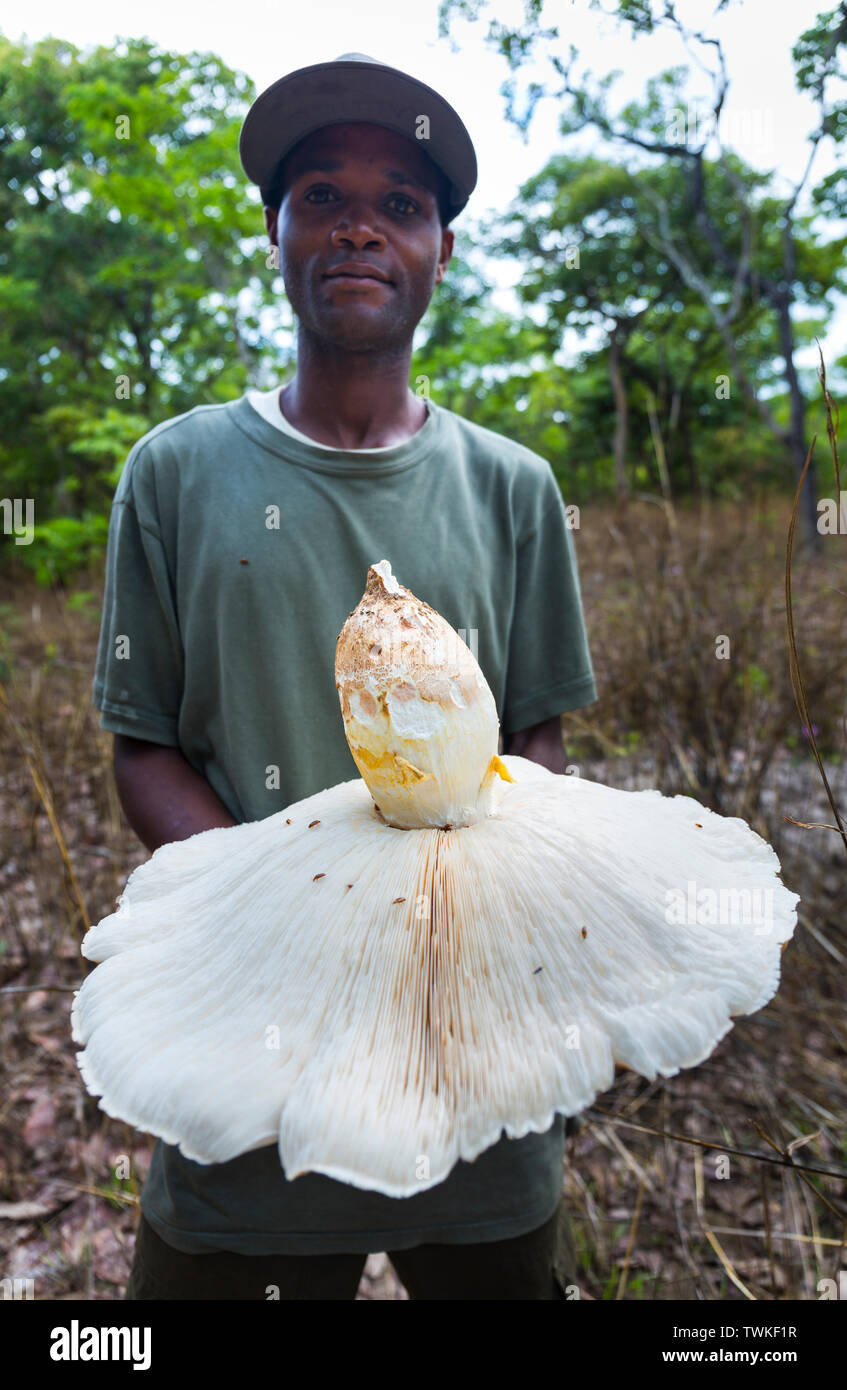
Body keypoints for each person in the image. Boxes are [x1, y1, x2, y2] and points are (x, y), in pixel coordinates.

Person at [93, 53, 598, 1300]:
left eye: (401, 204)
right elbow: (143, 741)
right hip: (254, 1050)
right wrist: (282, 914)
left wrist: (436, 916)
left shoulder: (512, 488)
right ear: (275, 232)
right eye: (320, 194)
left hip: (470, 1051)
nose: (359, 223)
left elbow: (535, 736)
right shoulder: (173, 471)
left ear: (437, 251)